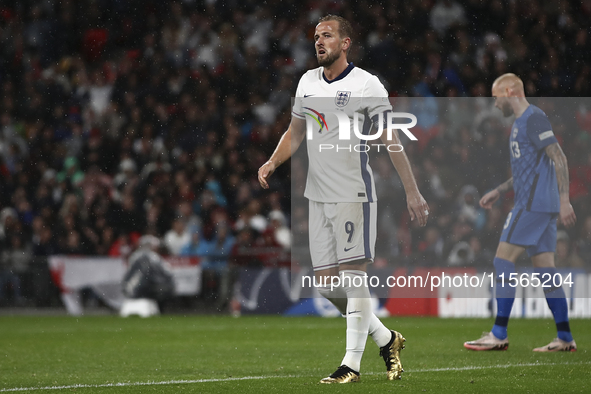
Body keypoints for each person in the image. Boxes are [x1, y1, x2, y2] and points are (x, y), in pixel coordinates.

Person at [258, 15, 429, 383]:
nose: (319, 41)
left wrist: (412, 190)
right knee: (326, 285)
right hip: (317, 197)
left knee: (354, 277)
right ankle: (387, 339)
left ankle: (350, 365)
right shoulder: (306, 82)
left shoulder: (367, 85)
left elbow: (391, 139)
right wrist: (273, 160)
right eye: (316, 37)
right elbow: (296, 130)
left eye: (327, 36)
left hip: (354, 193)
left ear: (346, 42)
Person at [464, 73, 577, 352]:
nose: (494, 103)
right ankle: (565, 337)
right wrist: (499, 190)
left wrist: (566, 200)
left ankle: (498, 333)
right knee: (547, 271)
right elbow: (528, 171)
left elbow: (559, 157)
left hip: (532, 205)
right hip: (541, 205)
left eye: (495, 96)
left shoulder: (533, 118)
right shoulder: (519, 124)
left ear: (507, 91)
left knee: (503, 261)